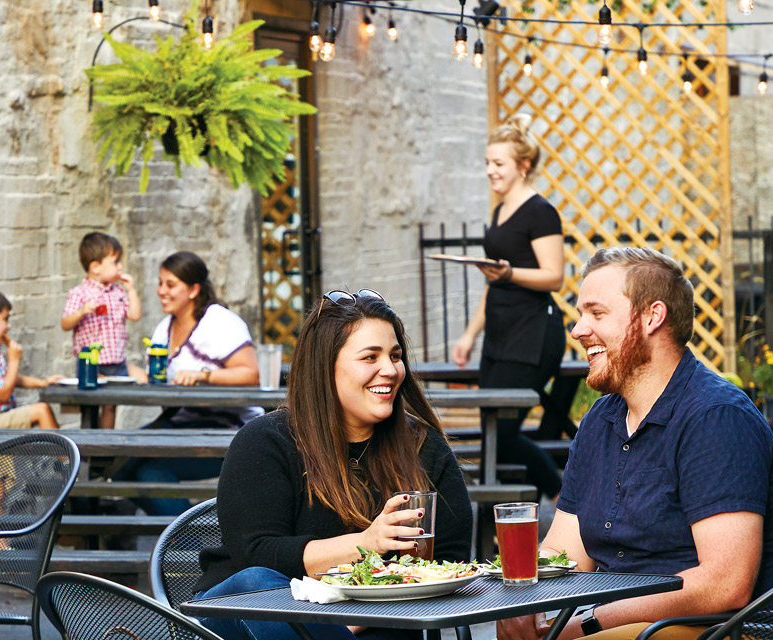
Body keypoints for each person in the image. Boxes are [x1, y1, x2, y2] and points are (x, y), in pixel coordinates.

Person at [497, 247, 773, 640]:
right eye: (581, 315)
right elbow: (564, 555)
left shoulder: (715, 417)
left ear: (652, 317)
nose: (577, 330)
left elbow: (725, 584)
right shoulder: (599, 421)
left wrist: (592, 621)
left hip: (709, 629)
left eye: (596, 313)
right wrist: (519, 601)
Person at [193, 289, 473, 640]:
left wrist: (356, 613)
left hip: (379, 616)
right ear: (325, 367)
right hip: (250, 614)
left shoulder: (422, 446)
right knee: (261, 588)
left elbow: (450, 559)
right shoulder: (267, 440)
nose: (389, 369)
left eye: (395, 355)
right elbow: (257, 554)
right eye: (370, 357)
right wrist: (366, 543)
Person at [453, 113, 566, 500]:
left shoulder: (540, 212)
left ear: (523, 166)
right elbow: (494, 282)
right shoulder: (500, 212)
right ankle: (509, 520)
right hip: (500, 335)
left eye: (498, 164)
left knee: (500, 436)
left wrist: (509, 271)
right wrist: (470, 334)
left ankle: (562, 497)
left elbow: (555, 277)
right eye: (487, 163)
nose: (490, 171)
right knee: (492, 435)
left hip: (534, 334)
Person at [119, 251, 261, 515]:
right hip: (179, 425)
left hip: (230, 432)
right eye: (160, 283)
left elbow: (251, 375)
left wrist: (204, 375)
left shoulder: (219, 322)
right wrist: (122, 370)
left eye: (170, 285)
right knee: (129, 467)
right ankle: (183, 543)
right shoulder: (164, 327)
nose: (162, 291)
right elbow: (160, 382)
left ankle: (181, 545)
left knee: (130, 465)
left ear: (194, 289)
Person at [61, 232, 142, 429]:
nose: (120, 267)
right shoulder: (80, 293)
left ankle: (106, 446)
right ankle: (90, 447)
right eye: (115, 262)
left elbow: (134, 315)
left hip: (115, 361)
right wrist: (82, 311)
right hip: (91, 362)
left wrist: (131, 290)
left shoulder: (118, 292)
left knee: (110, 406)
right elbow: (65, 323)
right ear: (95, 267)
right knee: (90, 405)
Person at [0, 287, 62, 430]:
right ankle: (65, 453)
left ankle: (62, 452)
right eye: (5, 319)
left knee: (43, 410)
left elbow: (9, 378)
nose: (8, 326)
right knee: (42, 411)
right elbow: (4, 393)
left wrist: (44, 383)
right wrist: (14, 360)